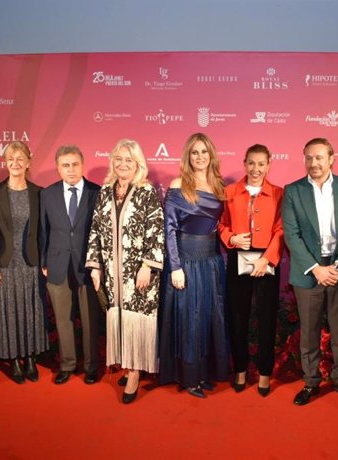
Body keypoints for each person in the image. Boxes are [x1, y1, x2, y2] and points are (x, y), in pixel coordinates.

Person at [86, 139, 164, 404]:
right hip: (112, 272)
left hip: (139, 273)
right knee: (118, 317)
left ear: (137, 163)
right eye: (118, 159)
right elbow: (96, 230)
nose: (122, 164)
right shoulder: (106, 190)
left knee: (137, 319)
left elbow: (157, 231)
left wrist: (147, 266)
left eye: (128, 160)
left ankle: (134, 371)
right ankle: (126, 361)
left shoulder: (146, 192)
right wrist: (95, 266)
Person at [282, 137, 338, 406]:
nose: (313, 163)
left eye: (318, 157)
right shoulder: (293, 191)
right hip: (309, 272)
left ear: (331, 158)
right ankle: (311, 382)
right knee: (309, 332)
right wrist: (316, 269)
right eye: (308, 157)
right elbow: (291, 235)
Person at [159, 132, 229, 398]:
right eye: (194, 152)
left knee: (209, 318)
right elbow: (169, 229)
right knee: (190, 318)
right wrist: (175, 266)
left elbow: (221, 226)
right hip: (186, 262)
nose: (200, 157)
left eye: (204, 152)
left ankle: (203, 373)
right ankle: (189, 379)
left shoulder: (219, 186)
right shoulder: (179, 184)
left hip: (211, 262)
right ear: (188, 157)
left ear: (211, 155)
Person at [218, 143, 284, 397]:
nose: (256, 169)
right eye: (251, 163)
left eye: (261, 164)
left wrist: (267, 259)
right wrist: (231, 239)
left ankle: (265, 372)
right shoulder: (230, 191)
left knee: (267, 318)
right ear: (244, 163)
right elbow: (221, 224)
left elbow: (281, 230)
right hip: (238, 258)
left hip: (266, 262)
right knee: (237, 317)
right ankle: (241, 369)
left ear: (269, 164)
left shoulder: (279, 194)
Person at [0, 141, 48, 384]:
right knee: (9, 311)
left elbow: (43, 231)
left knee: (31, 309)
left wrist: (44, 261)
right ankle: (13, 359)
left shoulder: (39, 192)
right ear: (5, 162)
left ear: (29, 162)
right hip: (5, 263)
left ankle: (30, 357)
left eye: (20, 158)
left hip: (31, 262)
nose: (16, 163)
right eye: (11, 159)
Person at [39, 145, 101, 385]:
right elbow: (43, 230)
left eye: (75, 164)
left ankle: (91, 366)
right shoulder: (47, 194)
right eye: (66, 165)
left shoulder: (97, 192)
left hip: (88, 265)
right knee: (63, 319)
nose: (71, 169)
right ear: (58, 168)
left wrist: (100, 264)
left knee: (89, 319)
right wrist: (44, 260)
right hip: (57, 263)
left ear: (82, 164)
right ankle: (67, 365)